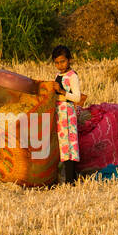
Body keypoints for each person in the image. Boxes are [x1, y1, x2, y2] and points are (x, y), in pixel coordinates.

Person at [51, 45, 83, 184]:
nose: (60, 65)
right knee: (63, 145)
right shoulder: (58, 75)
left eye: (62, 61)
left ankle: (71, 180)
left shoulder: (72, 76)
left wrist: (62, 91)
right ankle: (69, 177)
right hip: (59, 113)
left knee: (70, 145)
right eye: (57, 62)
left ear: (69, 60)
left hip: (68, 113)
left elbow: (77, 98)